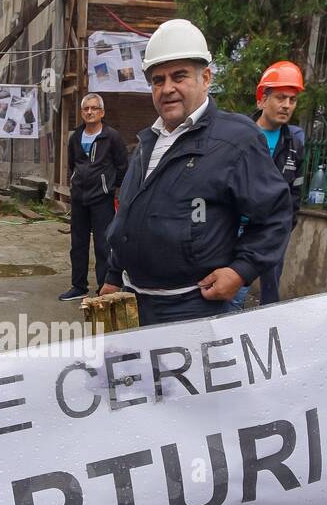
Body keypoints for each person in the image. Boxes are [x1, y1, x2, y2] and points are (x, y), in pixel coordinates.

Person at [99, 19, 293, 326]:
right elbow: (128, 218)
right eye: (158, 80)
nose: (167, 89)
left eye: (179, 76)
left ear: (205, 78)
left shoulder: (236, 140)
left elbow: (276, 216)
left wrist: (240, 270)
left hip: (192, 309)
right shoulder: (148, 141)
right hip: (134, 304)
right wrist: (113, 275)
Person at [233, 60, 307, 310]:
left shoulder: (294, 143)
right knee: (234, 291)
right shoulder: (238, 134)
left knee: (270, 294)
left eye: (292, 100)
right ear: (262, 100)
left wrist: (285, 226)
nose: (287, 105)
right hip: (235, 228)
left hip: (272, 230)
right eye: (280, 98)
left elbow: (294, 191)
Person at [59, 93, 128, 300]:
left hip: (102, 198)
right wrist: (75, 182)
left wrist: (111, 188)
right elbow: (73, 164)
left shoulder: (111, 136)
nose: (90, 112)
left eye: (94, 108)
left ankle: (103, 286)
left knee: (103, 244)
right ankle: (78, 286)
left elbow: (122, 166)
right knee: (78, 244)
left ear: (102, 112)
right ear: (82, 113)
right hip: (79, 197)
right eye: (86, 109)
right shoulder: (75, 137)